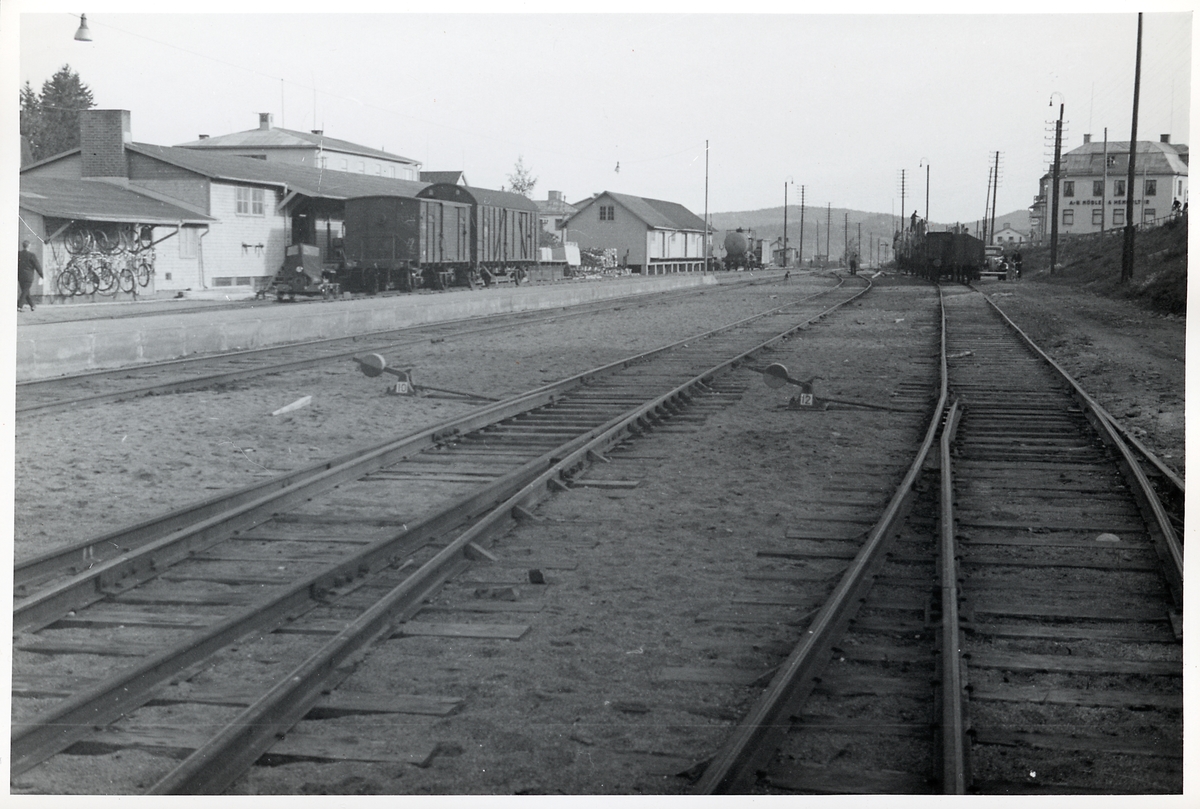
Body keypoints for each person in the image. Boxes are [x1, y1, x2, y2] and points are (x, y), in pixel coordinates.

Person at [17, 240, 42, 312]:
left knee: (25, 291)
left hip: (20, 276)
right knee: (25, 291)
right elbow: (37, 266)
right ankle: (19, 306)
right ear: (29, 246)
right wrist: (41, 275)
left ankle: (32, 305)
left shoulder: (19, 254)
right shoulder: (31, 255)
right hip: (29, 276)